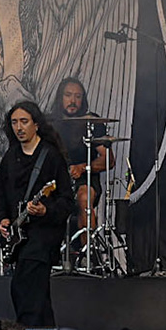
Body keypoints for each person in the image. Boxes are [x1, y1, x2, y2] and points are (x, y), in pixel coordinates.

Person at [0, 100, 73, 327]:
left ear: (36, 124)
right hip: (20, 237)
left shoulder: (50, 157)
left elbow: (67, 201)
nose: (19, 127)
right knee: (36, 297)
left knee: (25, 290)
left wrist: (46, 210)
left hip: (43, 237)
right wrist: (2, 218)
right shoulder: (11, 157)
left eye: (24, 121)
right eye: (15, 122)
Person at [52, 77, 112, 234]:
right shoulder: (49, 124)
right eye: (68, 95)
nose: (73, 101)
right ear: (60, 97)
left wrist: (83, 167)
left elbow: (108, 160)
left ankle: (88, 255)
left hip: (85, 179)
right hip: (53, 179)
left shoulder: (92, 123)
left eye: (78, 97)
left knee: (84, 198)